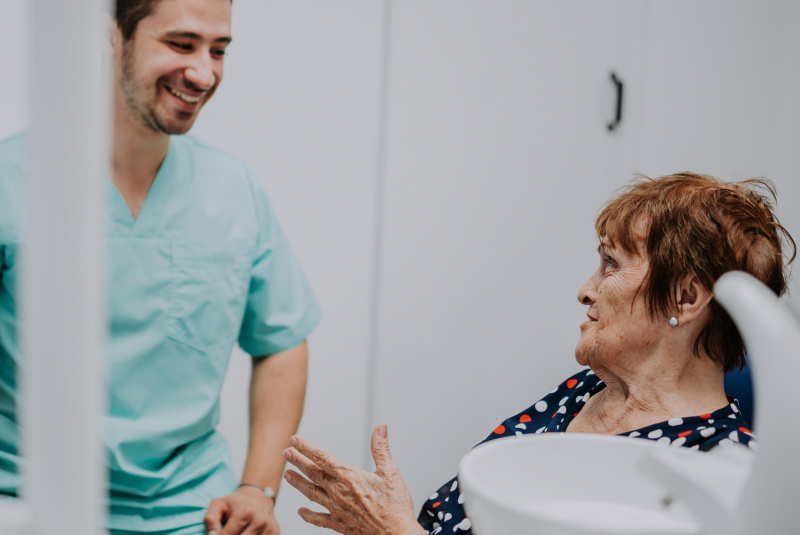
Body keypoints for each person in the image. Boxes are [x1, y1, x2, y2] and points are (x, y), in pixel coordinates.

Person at [279, 173, 795, 535]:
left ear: (686, 297)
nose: (585, 290)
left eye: (611, 265)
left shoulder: (719, 474)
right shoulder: (580, 394)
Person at [0, 0, 321, 533]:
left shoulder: (233, 189)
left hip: (190, 512)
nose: (204, 72)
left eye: (219, 50)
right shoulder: (12, 178)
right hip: (26, 502)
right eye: (181, 44)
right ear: (111, 36)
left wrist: (256, 488)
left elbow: (282, 338)